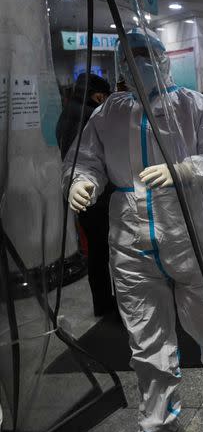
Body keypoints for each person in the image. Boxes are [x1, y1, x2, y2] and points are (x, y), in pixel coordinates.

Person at [63, 29, 203, 432]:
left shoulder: (192, 105)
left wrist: (183, 170)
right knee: (146, 339)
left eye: (145, 53)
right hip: (132, 243)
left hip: (191, 237)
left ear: (163, 59)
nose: (138, 61)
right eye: (130, 55)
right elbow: (85, 159)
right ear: (121, 65)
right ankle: (159, 419)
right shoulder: (107, 113)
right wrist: (80, 182)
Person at [57, 72, 117, 317]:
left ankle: (102, 302)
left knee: (96, 250)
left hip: (81, 192)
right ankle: (104, 303)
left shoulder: (67, 112)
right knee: (102, 251)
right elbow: (90, 158)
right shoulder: (90, 116)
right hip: (94, 195)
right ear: (98, 95)